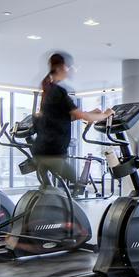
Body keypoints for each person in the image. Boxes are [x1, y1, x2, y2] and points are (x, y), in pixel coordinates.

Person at [31, 52, 113, 194]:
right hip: (53, 152)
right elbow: (80, 115)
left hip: (40, 151)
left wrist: (93, 114)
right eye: (68, 67)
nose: (69, 71)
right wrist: (105, 115)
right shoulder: (58, 91)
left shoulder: (48, 91)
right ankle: (62, 213)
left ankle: (46, 210)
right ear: (61, 67)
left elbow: (64, 118)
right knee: (77, 183)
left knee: (47, 189)